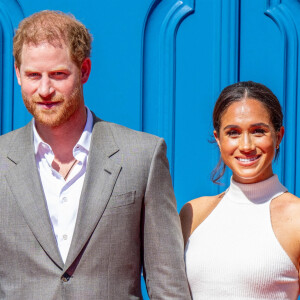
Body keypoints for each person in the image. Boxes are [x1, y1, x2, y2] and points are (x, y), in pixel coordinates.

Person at [0, 10, 191, 299]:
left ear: (85, 70)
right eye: (33, 75)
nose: (44, 89)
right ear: (17, 73)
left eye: (58, 74)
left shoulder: (142, 155)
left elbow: (168, 284)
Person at [180, 81, 300, 299]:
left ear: (279, 136)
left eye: (258, 131)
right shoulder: (193, 213)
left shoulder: (297, 217)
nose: (246, 146)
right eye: (233, 133)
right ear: (218, 139)